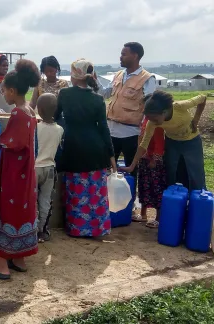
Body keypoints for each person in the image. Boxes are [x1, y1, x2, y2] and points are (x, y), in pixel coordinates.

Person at [0, 59, 41, 280]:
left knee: (7, 211)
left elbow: (12, 141)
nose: (3, 94)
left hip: (13, 173)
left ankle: (2, 265)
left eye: (4, 90)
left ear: (12, 90)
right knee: (22, 211)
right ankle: (19, 259)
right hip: (25, 172)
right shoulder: (30, 111)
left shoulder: (17, 114)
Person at [56, 59, 117, 238]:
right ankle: (97, 228)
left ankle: (77, 228)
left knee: (77, 189)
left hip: (73, 146)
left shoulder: (65, 94)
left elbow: (55, 116)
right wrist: (112, 156)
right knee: (95, 190)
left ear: (75, 74)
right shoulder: (97, 99)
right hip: (96, 148)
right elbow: (104, 129)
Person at [122, 90, 208, 191]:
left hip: (192, 142)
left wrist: (196, 120)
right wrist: (132, 166)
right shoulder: (151, 123)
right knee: (172, 173)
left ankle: (198, 200)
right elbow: (143, 144)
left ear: (164, 112)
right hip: (172, 143)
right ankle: (176, 200)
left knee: (196, 173)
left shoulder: (179, 106)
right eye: (149, 118)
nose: (152, 121)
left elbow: (203, 98)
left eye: (154, 118)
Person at [98, 42, 156, 177]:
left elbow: (150, 106)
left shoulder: (147, 78)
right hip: (111, 130)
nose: (120, 57)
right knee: (107, 168)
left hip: (131, 133)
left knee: (131, 170)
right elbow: (105, 93)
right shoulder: (118, 75)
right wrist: (95, 80)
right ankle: (110, 197)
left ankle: (128, 196)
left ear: (135, 56)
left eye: (124, 54)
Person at [35, 93, 64, 242]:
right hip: (50, 168)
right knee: (45, 200)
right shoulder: (60, 130)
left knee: (31, 199)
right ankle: (43, 231)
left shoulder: (35, 127)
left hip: (34, 168)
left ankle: (31, 230)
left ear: (39, 110)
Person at [132, 112, 166, 228]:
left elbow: (159, 142)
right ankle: (143, 215)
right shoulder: (145, 119)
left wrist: (155, 159)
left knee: (156, 188)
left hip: (153, 160)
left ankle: (158, 218)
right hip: (144, 157)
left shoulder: (156, 122)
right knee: (143, 186)